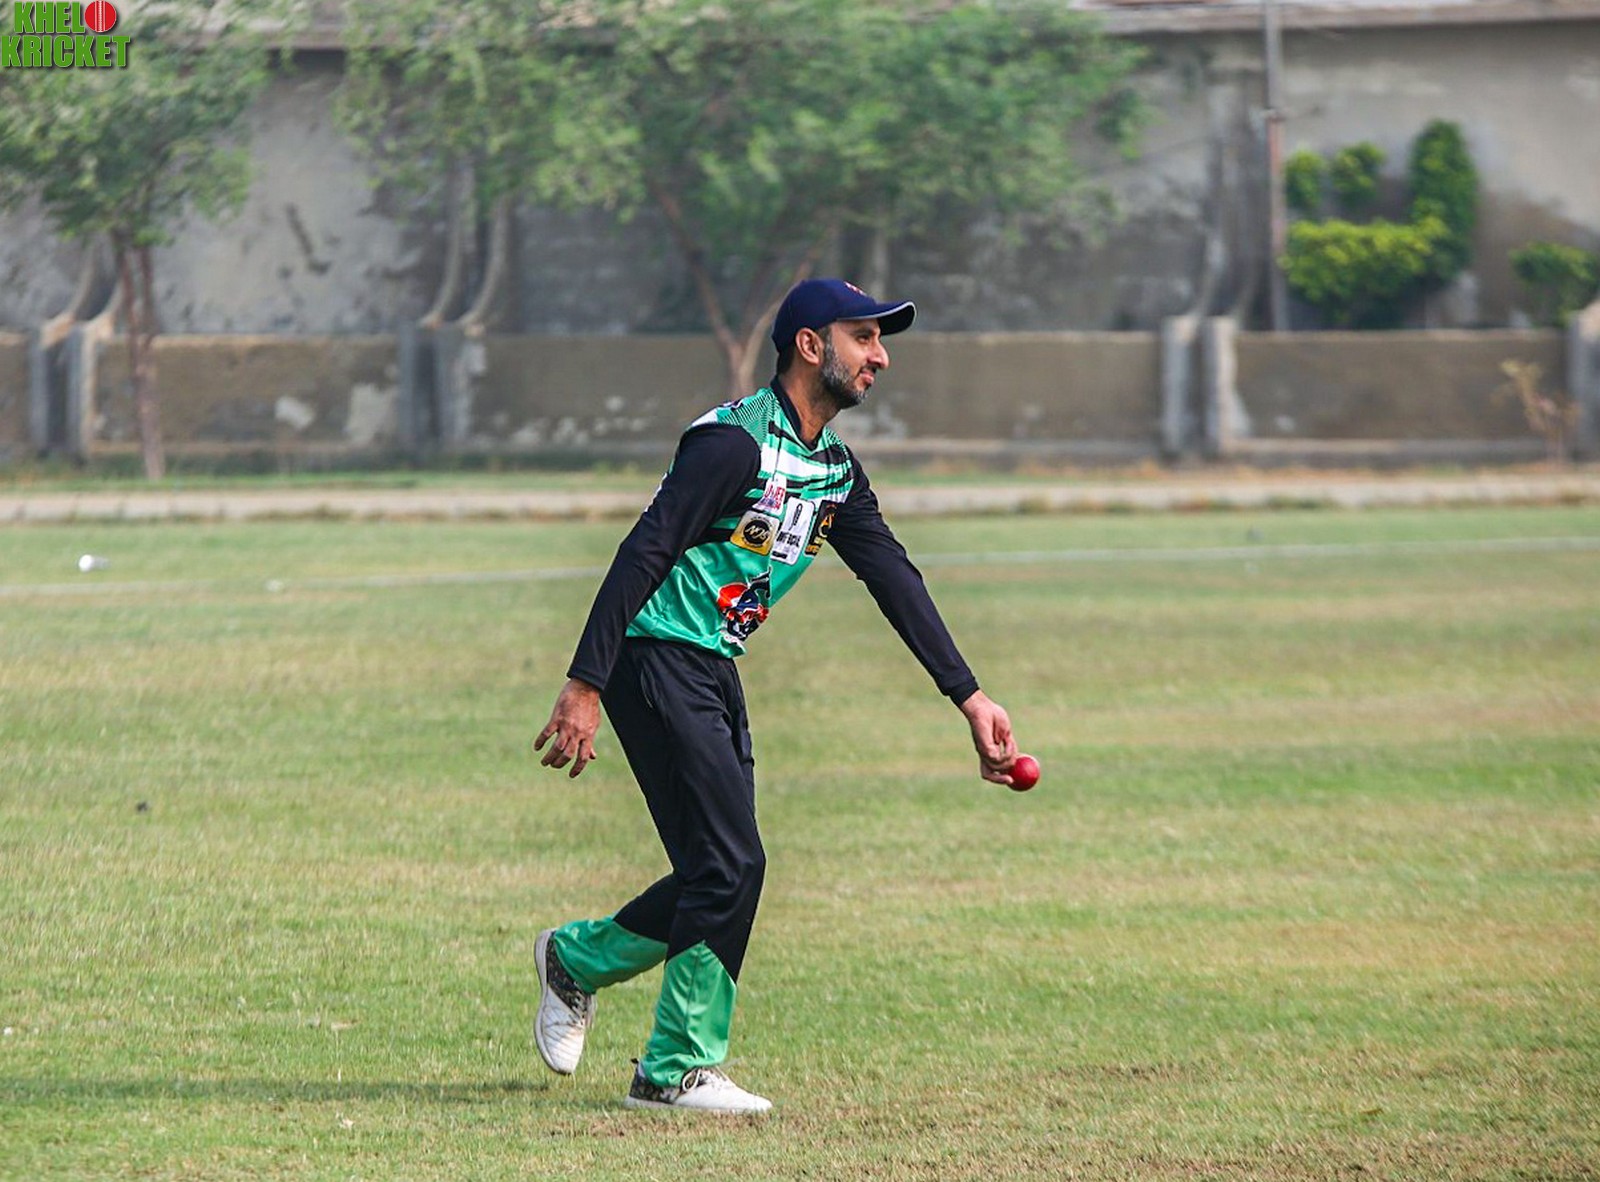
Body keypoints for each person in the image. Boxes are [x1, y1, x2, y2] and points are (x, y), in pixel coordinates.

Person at [532, 277, 1023, 1114]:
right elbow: (643, 551)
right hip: (654, 656)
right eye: (865, 337)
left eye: (880, 340)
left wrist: (970, 698)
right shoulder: (733, 445)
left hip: (713, 668)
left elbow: (893, 577)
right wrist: (586, 682)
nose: (880, 357)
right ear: (809, 344)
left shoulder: (833, 471)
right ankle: (673, 1069)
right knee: (732, 864)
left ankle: (575, 960)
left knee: (718, 869)